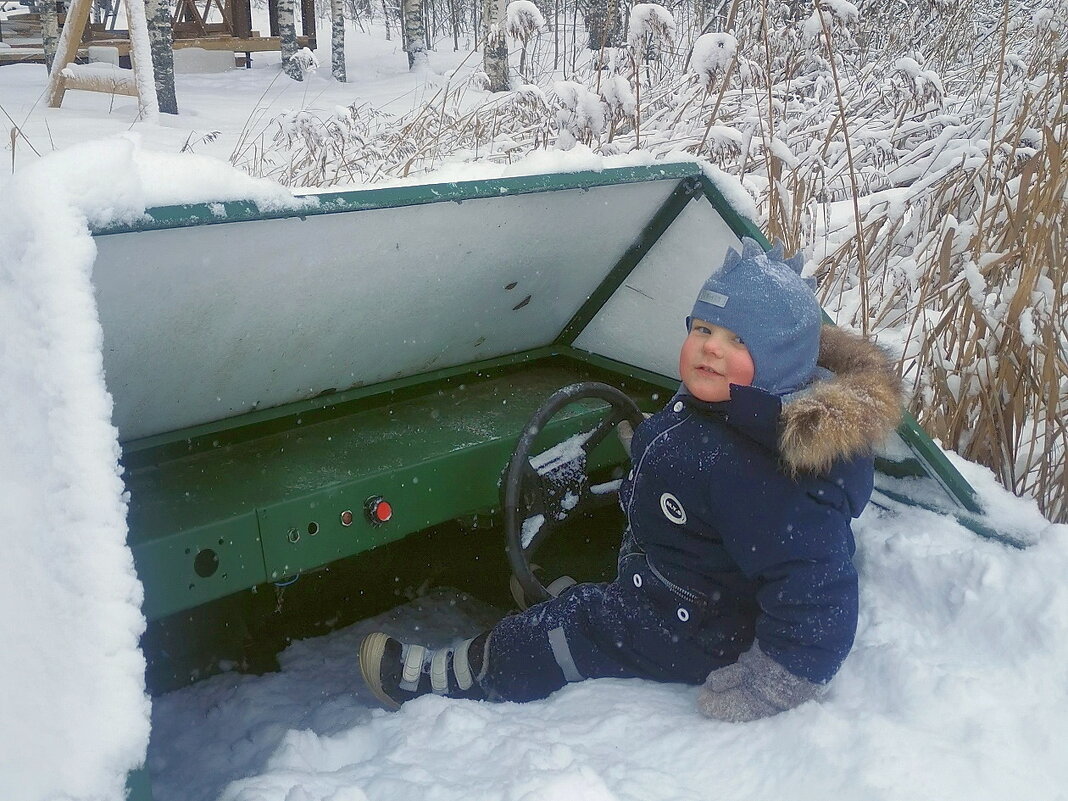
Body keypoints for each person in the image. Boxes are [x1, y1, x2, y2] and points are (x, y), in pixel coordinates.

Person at [359, 237, 902, 721]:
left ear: (782, 361)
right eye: (704, 329)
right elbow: (692, 446)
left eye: (738, 340)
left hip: (698, 629)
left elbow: (815, 590)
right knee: (596, 580)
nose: (711, 347)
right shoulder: (729, 407)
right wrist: (647, 446)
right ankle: (578, 608)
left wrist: (776, 684)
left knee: (573, 624)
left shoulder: (771, 472)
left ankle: (461, 676)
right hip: (685, 582)